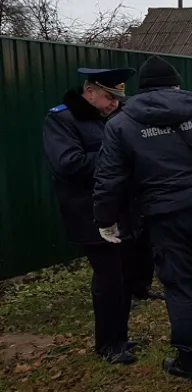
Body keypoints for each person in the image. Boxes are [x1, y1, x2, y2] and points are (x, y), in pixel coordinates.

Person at [93, 55, 192, 380]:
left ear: (143, 88)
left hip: (163, 218)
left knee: (177, 285)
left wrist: (105, 219)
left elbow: (109, 178)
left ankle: (189, 360)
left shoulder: (121, 125)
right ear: (176, 84)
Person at [42, 67, 139, 365]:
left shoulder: (108, 118)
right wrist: (115, 157)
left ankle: (120, 336)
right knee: (108, 278)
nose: (115, 103)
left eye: (118, 97)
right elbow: (68, 164)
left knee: (124, 276)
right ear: (90, 92)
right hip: (89, 214)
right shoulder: (61, 119)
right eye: (110, 97)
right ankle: (107, 343)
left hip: (119, 210)